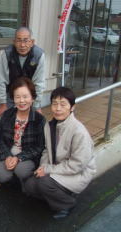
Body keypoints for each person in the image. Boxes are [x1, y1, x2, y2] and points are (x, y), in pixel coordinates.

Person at [25, 87, 96, 219]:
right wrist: (43, 167)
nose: (57, 109)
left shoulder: (79, 132)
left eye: (63, 104)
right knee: (29, 186)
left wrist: (48, 169)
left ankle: (67, 204)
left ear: (72, 107)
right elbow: (46, 150)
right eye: (54, 104)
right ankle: (58, 194)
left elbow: (77, 165)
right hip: (58, 168)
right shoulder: (50, 125)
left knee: (43, 183)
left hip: (78, 173)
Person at [0, 77, 45, 189]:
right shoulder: (7, 115)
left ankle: (25, 179)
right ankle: (15, 176)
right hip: (8, 152)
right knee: (0, 176)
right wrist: (7, 156)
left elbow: (39, 147)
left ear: (32, 98)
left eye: (25, 96)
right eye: (18, 97)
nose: (22, 101)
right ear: (13, 98)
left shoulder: (39, 119)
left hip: (27, 155)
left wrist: (18, 158)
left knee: (21, 171)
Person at [0, 27, 45, 117]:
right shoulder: (7, 53)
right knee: (2, 119)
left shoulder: (39, 55)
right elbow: (1, 80)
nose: (22, 45)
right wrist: (3, 103)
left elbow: (39, 83)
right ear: (14, 42)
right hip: (10, 94)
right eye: (19, 41)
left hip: (29, 95)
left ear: (32, 42)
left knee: (33, 121)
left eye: (26, 41)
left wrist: (37, 106)